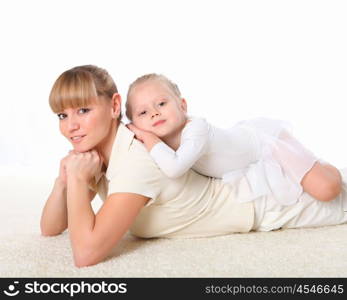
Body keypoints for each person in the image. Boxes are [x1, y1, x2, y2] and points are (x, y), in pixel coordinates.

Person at [40, 65, 347, 268]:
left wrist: (79, 183)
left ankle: (292, 148)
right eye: (62, 116)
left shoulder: (134, 159)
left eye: (83, 110)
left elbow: (86, 254)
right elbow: (51, 228)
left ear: (114, 106)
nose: (72, 126)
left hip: (262, 201)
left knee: (335, 194)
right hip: (243, 189)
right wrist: (64, 181)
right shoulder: (96, 154)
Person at [125, 73, 342, 206]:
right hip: (244, 152)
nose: (154, 113)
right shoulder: (158, 144)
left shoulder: (196, 129)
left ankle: (321, 163)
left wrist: (145, 134)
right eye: (143, 113)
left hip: (263, 142)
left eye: (161, 104)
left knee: (327, 190)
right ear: (133, 120)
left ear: (182, 105)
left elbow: (174, 168)